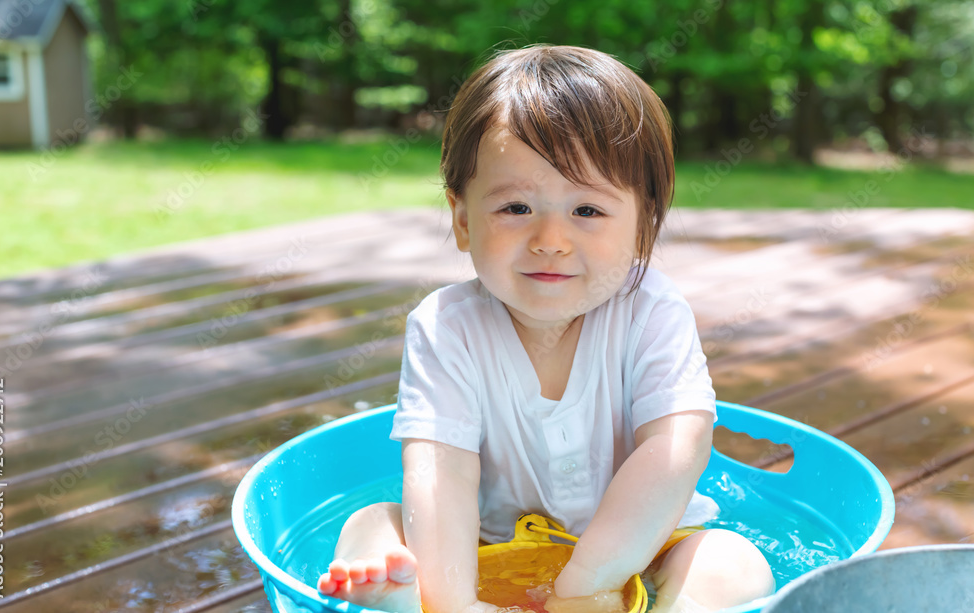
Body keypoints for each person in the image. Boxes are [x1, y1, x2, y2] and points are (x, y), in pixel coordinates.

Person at [317, 44, 775, 613]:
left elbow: (675, 448)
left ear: (643, 224)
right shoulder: (444, 328)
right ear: (462, 220)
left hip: (650, 545)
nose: (551, 239)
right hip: (489, 543)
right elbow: (442, 473)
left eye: (587, 211)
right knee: (375, 523)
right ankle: (417, 597)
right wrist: (455, 601)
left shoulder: (652, 311)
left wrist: (589, 581)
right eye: (515, 208)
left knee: (733, 567)